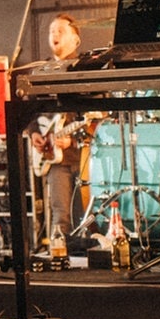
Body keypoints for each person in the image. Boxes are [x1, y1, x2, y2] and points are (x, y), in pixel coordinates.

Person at [29, 15, 94, 256]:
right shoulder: (42, 70)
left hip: (84, 154)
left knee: (87, 211)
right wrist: (35, 133)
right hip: (56, 158)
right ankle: (60, 256)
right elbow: (31, 111)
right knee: (60, 212)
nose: (54, 35)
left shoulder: (85, 69)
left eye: (60, 30)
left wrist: (74, 139)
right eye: (51, 31)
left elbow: (97, 115)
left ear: (76, 39)